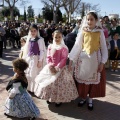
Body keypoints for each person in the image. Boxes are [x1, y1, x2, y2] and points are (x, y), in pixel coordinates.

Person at [69, 11, 108, 110]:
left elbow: (103, 48)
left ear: (96, 21)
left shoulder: (100, 32)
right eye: (88, 19)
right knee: (83, 80)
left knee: (93, 81)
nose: (89, 21)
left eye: (92, 19)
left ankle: (90, 99)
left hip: (95, 60)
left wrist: (102, 62)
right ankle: (83, 98)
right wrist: (72, 59)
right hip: (83, 61)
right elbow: (78, 46)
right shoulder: (83, 31)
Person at [34, 30, 78, 107]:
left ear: (62, 37)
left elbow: (64, 59)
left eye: (59, 37)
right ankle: (49, 97)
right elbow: (48, 57)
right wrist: (50, 66)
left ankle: (58, 100)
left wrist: (57, 67)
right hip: (50, 67)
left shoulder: (64, 47)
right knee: (49, 84)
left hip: (60, 69)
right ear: (53, 37)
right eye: (56, 37)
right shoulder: (50, 46)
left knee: (59, 85)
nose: (57, 38)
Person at [24, 24, 46, 92]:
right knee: (29, 73)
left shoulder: (39, 40)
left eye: (34, 31)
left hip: (35, 59)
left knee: (34, 73)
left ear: (37, 31)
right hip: (29, 58)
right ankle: (29, 88)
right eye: (31, 31)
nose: (33, 32)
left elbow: (42, 51)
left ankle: (35, 89)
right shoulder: (30, 39)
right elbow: (28, 49)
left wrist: (40, 61)